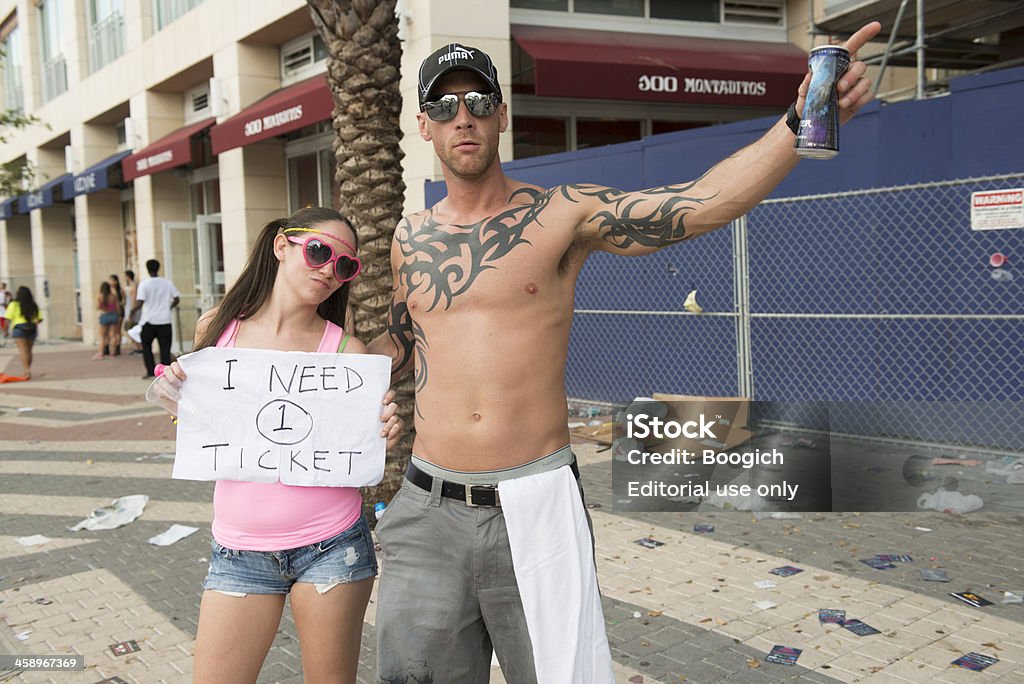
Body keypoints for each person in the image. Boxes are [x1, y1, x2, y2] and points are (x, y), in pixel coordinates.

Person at [368, 25, 881, 683]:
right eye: (443, 105)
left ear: (502, 115)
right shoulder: (409, 237)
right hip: (425, 507)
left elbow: (698, 205)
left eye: (476, 101)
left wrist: (796, 122)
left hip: (535, 504)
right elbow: (405, 344)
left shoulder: (563, 215)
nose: (460, 117)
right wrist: (289, 358)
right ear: (423, 125)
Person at [152, 207, 404, 684]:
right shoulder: (216, 330)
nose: (330, 270)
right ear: (282, 246)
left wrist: (383, 432)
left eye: (345, 265)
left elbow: (359, 448)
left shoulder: (349, 354)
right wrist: (173, 398)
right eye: (319, 251)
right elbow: (208, 422)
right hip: (237, 552)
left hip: (333, 547)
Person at [131, 258, 180, 379]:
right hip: (164, 320)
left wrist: (131, 312)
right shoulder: (167, 282)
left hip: (149, 320)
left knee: (146, 346)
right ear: (159, 268)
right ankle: (165, 373)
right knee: (165, 348)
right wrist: (168, 307)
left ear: (147, 269)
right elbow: (177, 298)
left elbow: (140, 302)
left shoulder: (144, 284)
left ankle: (150, 371)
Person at [4, 286, 42, 379]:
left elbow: (7, 319)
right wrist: (34, 323)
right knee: (29, 350)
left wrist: (5, 330)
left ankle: (26, 370)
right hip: (31, 327)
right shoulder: (33, 304)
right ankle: (27, 369)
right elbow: (39, 319)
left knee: (22, 350)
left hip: (19, 328)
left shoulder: (13, 304)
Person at [93, 282, 120, 360]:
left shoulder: (100, 296)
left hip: (105, 315)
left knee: (102, 336)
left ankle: (101, 353)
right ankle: (113, 353)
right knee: (113, 335)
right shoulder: (113, 296)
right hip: (113, 315)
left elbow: (98, 307)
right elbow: (117, 307)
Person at [123, 269, 142, 354]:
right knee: (130, 329)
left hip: (132, 309)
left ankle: (139, 347)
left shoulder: (134, 285)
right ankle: (136, 347)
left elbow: (134, 299)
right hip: (128, 308)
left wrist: (132, 311)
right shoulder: (129, 285)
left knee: (131, 328)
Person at [108, 274, 125, 356]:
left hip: (116, 312)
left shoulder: (114, 290)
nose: (110, 282)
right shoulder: (117, 290)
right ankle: (116, 347)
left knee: (116, 331)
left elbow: (123, 299)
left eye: (112, 280)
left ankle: (116, 348)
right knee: (116, 331)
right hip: (117, 311)